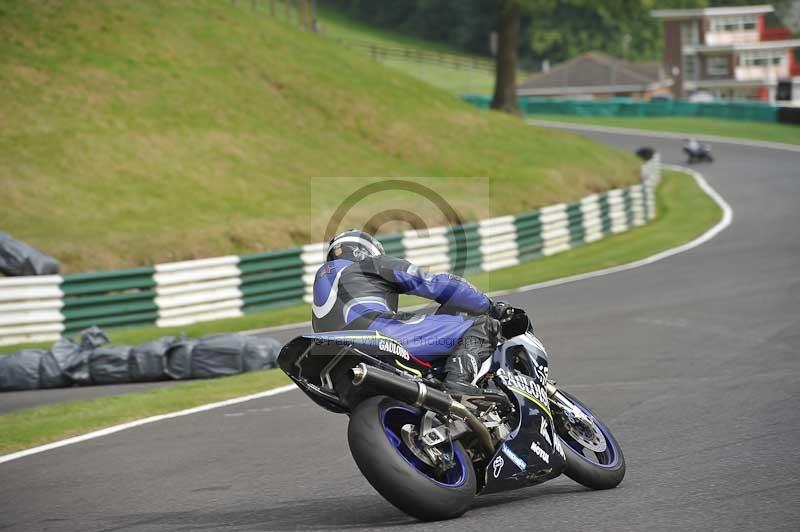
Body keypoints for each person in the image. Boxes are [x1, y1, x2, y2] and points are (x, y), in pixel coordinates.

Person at [311, 229, 504, 396]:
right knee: (484, 325)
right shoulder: (370, 264)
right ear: (365, 250)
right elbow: (437, 284)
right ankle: (459, 382)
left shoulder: (323, 280)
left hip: (329, 355)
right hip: (376, 331)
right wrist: (490, 307)